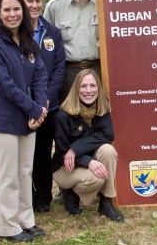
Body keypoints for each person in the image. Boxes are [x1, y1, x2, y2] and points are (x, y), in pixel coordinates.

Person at [0, 0, 48, 242]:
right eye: (7, 10)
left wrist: (39, 108)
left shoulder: (29, 42)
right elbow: (3, 84)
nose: (13, 14)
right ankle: (8, 227)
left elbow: (40, 76)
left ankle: (25, 220)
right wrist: (33, 109)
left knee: (24, 172)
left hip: (29, 120)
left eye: (16, 9)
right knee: (8, 176)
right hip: (4, 121)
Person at [51, 69, 124, 222]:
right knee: (97, 179)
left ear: (98, 88)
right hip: (65, 167)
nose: (89, 91)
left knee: (108, 151)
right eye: (84, 86)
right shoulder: (62, 116)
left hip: (84, 158)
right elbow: (63, 153)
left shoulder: (101, 109)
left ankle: (106, 202)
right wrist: (88, 161)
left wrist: (75, 148)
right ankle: (70, 191)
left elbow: (107, 135)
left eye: (93, 85)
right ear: (76, 89)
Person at [20, 0, 66, 212]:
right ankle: (27, 196)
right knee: (24, 154)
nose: (34, 5)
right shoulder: (13, 33)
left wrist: (46, 100)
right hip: (22, 106)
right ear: (22, 3)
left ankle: (44, 198)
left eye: (38, 1)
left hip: (49, 106)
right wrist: (31, 104)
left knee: (42, 151)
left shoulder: (53, 33)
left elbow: (58, 70)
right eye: (29, 1)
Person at [44, 0, 100, 100]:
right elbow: (45, 44)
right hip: (68, 73)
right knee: (69, 117)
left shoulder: (104, 3)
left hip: (98, 71)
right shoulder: (53, 7)